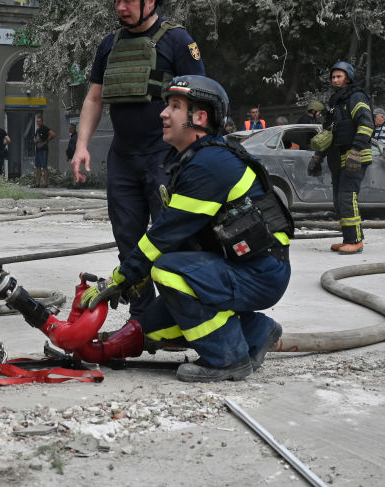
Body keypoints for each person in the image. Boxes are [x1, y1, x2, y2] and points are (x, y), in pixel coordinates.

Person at [78, 75, 292, 382]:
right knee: (153, 324)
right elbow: (185, 239)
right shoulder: (193, 159)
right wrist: (133, 280)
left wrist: (121, 278)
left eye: (175, 106)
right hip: (243, 267)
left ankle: (228, 360)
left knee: (166, 270)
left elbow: (163, 237)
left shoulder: (210, 164)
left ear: (199, 117)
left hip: (260, 273)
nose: (163, 114)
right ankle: (257, 331)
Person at [70, 0, 205, 318]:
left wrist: (195, 154)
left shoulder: (178, 40)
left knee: (172, 240)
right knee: (129, 243)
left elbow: (201, 98)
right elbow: (94, 99)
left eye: (128, 0)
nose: (121, 7)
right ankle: (143, 319)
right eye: (117, 1)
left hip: (165, 158)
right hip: (123, 159)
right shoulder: (109, 44)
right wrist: (81, 145)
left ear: (151, 0)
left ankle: (182, 316)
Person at [307, 61, 373, 254]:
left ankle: (355, 241)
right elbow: (328, 133)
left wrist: (356, 150)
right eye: (333, 77)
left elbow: (366, 124)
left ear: (348, 77)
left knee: (347, 197)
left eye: (339, 76)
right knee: (338, 200)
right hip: (337, 156)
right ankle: (349, 238)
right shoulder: (335, 102)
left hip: (354, 155)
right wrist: (317, 157)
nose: (335, 80)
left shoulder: (356, 97)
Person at [31, 113, 55, 187]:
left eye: (39, 121)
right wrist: (35, 140)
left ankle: (45, 183)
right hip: (38, 149)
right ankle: (37, 183)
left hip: (43, 150)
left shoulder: (45, 128)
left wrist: (46, 141)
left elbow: (53, 134)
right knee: (38, 167)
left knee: (44, 166)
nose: (38, 123)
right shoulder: (38, 130)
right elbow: (34, 138)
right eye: (37, 121)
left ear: (42, 121)